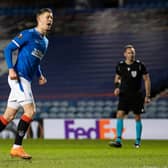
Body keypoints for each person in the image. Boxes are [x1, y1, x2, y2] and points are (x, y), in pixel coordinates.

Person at [0, 8, 53, 159]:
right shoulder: (29, 34)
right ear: (39, 19)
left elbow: (36, 61)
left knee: (8, 116)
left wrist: (40, 75)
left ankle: (16, 148)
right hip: (19, 77)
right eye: (47, 17)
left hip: (27, 79)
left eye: (52, 18)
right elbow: (9, 49)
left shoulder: (45, 41)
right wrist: (11, 69)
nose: (50, 20)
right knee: (30, 111)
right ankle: (17, 148)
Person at [109, 44, 151, 148]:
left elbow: (146, 79)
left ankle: (137, 141)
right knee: (119, 114)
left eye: (132, 52)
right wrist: (117, 87)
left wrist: (147, 95)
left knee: (137, 117)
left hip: (136, 95)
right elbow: (117, 78)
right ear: (125, 54)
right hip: (124, 95)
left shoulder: (140, 65)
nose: (131, 54)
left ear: (134, 54)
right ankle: (118, 140)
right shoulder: (120, 65)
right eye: (129, 52)